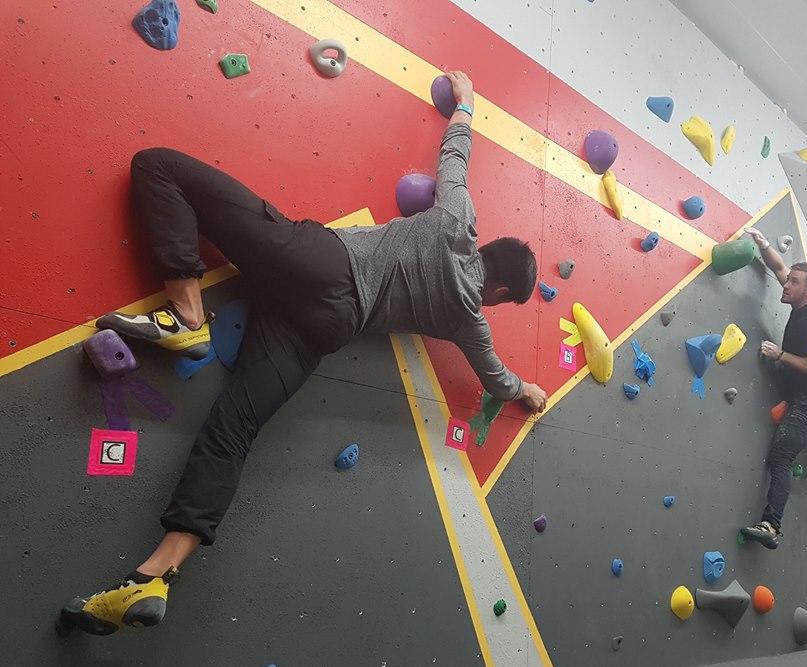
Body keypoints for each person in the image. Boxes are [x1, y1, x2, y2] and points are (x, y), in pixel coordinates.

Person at [57, 71, 547, 636]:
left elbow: (454, 155)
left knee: (158, 166)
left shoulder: (457, 221)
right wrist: (527, 390)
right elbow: (496, 377)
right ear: (502, 293)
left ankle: (189, 315)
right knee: (233, 430)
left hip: (316, 262)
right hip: (322, 327)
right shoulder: (468, 322)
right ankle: (155, 575)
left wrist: (465, 104)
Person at [739, 228, 807, 550]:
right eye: (788, 282)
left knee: (781, 455)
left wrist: (781, 355)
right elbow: (780, 268)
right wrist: (764, 244)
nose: (785, 285)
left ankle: (771, 525)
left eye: (793, 284)